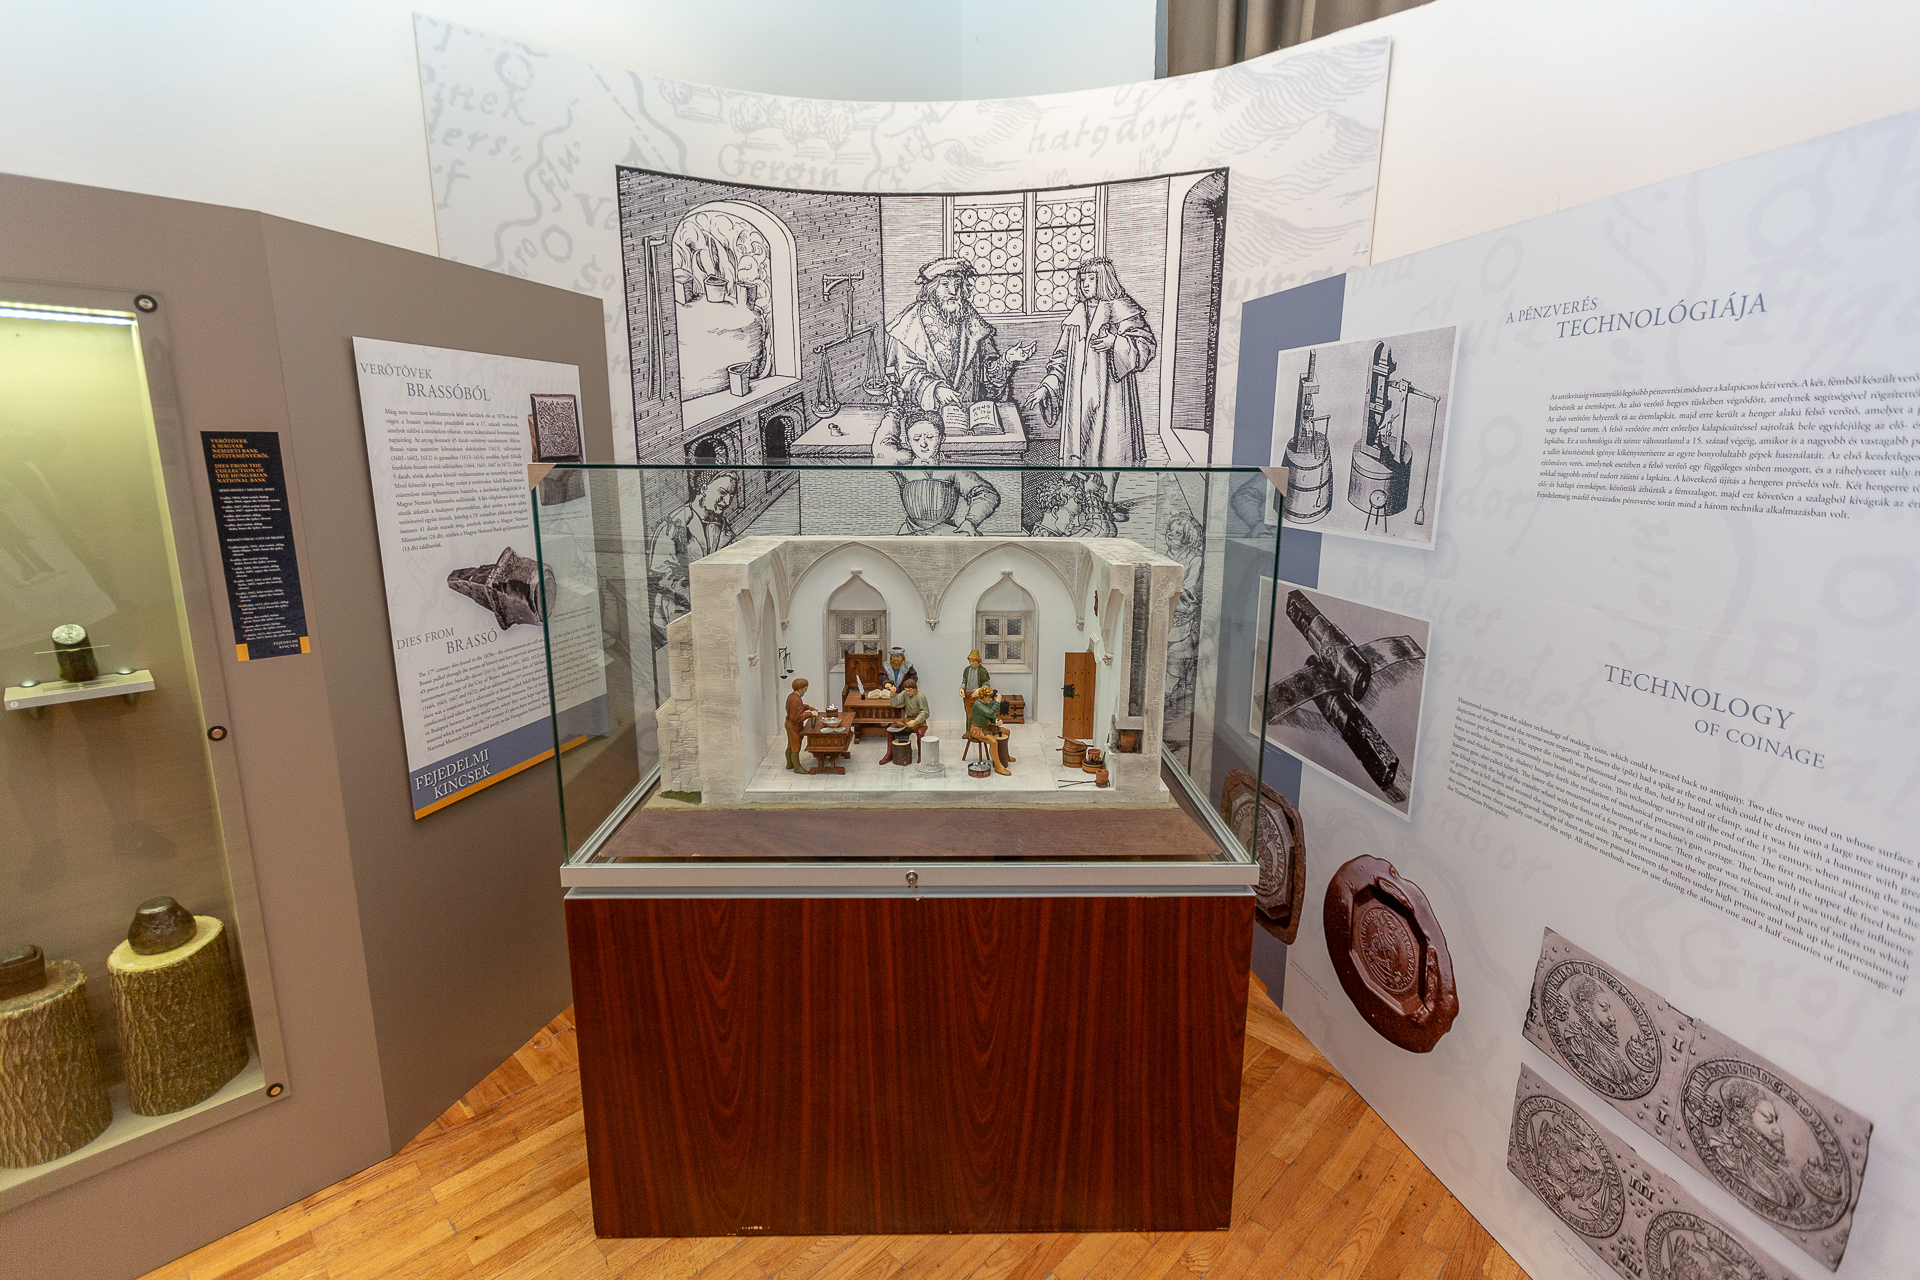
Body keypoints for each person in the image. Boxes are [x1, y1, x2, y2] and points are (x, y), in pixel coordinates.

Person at [1028, 258, 1157, 466]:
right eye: (1082, 279)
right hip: (1078, 398)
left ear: (1105, 279)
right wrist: (1047, 386)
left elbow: (1145, 346)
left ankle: (1105, 487)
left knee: (1110, 448)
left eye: (1091, 279)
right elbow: (1061, 358)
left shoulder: (1123, 309)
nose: (1085, 284)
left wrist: (1115, 342)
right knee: (1080, 447)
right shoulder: (1078, 314)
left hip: (1111, 395)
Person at [886, 257, 1037, 412]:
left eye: (957, 284)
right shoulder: (911, 322)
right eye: (945, 284)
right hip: (925, 413)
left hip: (968, 411)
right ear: (931, 288)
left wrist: (1006, 360)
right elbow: (906, 373)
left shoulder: (971, 318)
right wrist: (936, 389)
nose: (953, 291)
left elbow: (986, 372)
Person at [871, 412, 1002, 535]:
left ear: (941, 438)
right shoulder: (904, 464)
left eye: (929, 437)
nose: (923, 444)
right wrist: (893, 413)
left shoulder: (952, 468)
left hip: (944, 532)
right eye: (916, 439)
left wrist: (971, 521)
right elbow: (881, 448)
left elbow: (987, 493)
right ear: (908, 442)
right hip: (909, 532)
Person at [648, 473, 739, 635]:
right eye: (723, 492)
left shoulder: (722, 526)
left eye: (731, 495)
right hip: (675, 618)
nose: (727, 502)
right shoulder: (674, 526)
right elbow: (662, 576)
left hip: (712, 614)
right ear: (704, 489)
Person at [967, 682, 1015, 775]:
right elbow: (989, 713)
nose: (991, 699)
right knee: (993, 742)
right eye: (989, 697)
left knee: (1006, 732)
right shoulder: (978, 704)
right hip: (977, 729)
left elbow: (991, 715)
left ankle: (1005, 755)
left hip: (987, 726)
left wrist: (996, 719)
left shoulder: (986, 702)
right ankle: (998, 766)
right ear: (983, 697)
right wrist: (997, 702)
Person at [884, 674, 930, 764]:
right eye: (906, 690)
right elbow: (895, 703)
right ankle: (889, 753)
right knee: (891, 728)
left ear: (915, 688)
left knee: (920, 734)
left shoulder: (921, 697)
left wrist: (915, 721)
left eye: (910, 690)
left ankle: (921, 755)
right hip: (908, 719)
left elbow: (925, 713)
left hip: (919, 721)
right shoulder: (904, 694)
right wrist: (893, 695)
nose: (908, 692)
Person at [783, 677, 816, 773]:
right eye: (805, 689)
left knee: (791, 744)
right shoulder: (796, 699)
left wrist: (808, 707)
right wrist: (811, 714)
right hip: (794, 726)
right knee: (795, 746)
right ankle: (797, 767)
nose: (805, 691)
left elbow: (798, 708)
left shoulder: (792, 696)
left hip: (790, 724)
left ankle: (789, 764)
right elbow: (797, 716)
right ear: (800, 689)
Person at [960, 647, 992, 720]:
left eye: (973, 661)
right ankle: (969, 727)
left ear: (978, 661)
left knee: (978, 715)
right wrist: (962, 688)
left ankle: (979, 727)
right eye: (970, 661)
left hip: (978, 697)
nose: (971, 663)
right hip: (967, 696)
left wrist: (979, 690)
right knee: (969, 715)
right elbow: (964, 681)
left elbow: (986, 685)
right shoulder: (967, 670)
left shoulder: (982, 671)